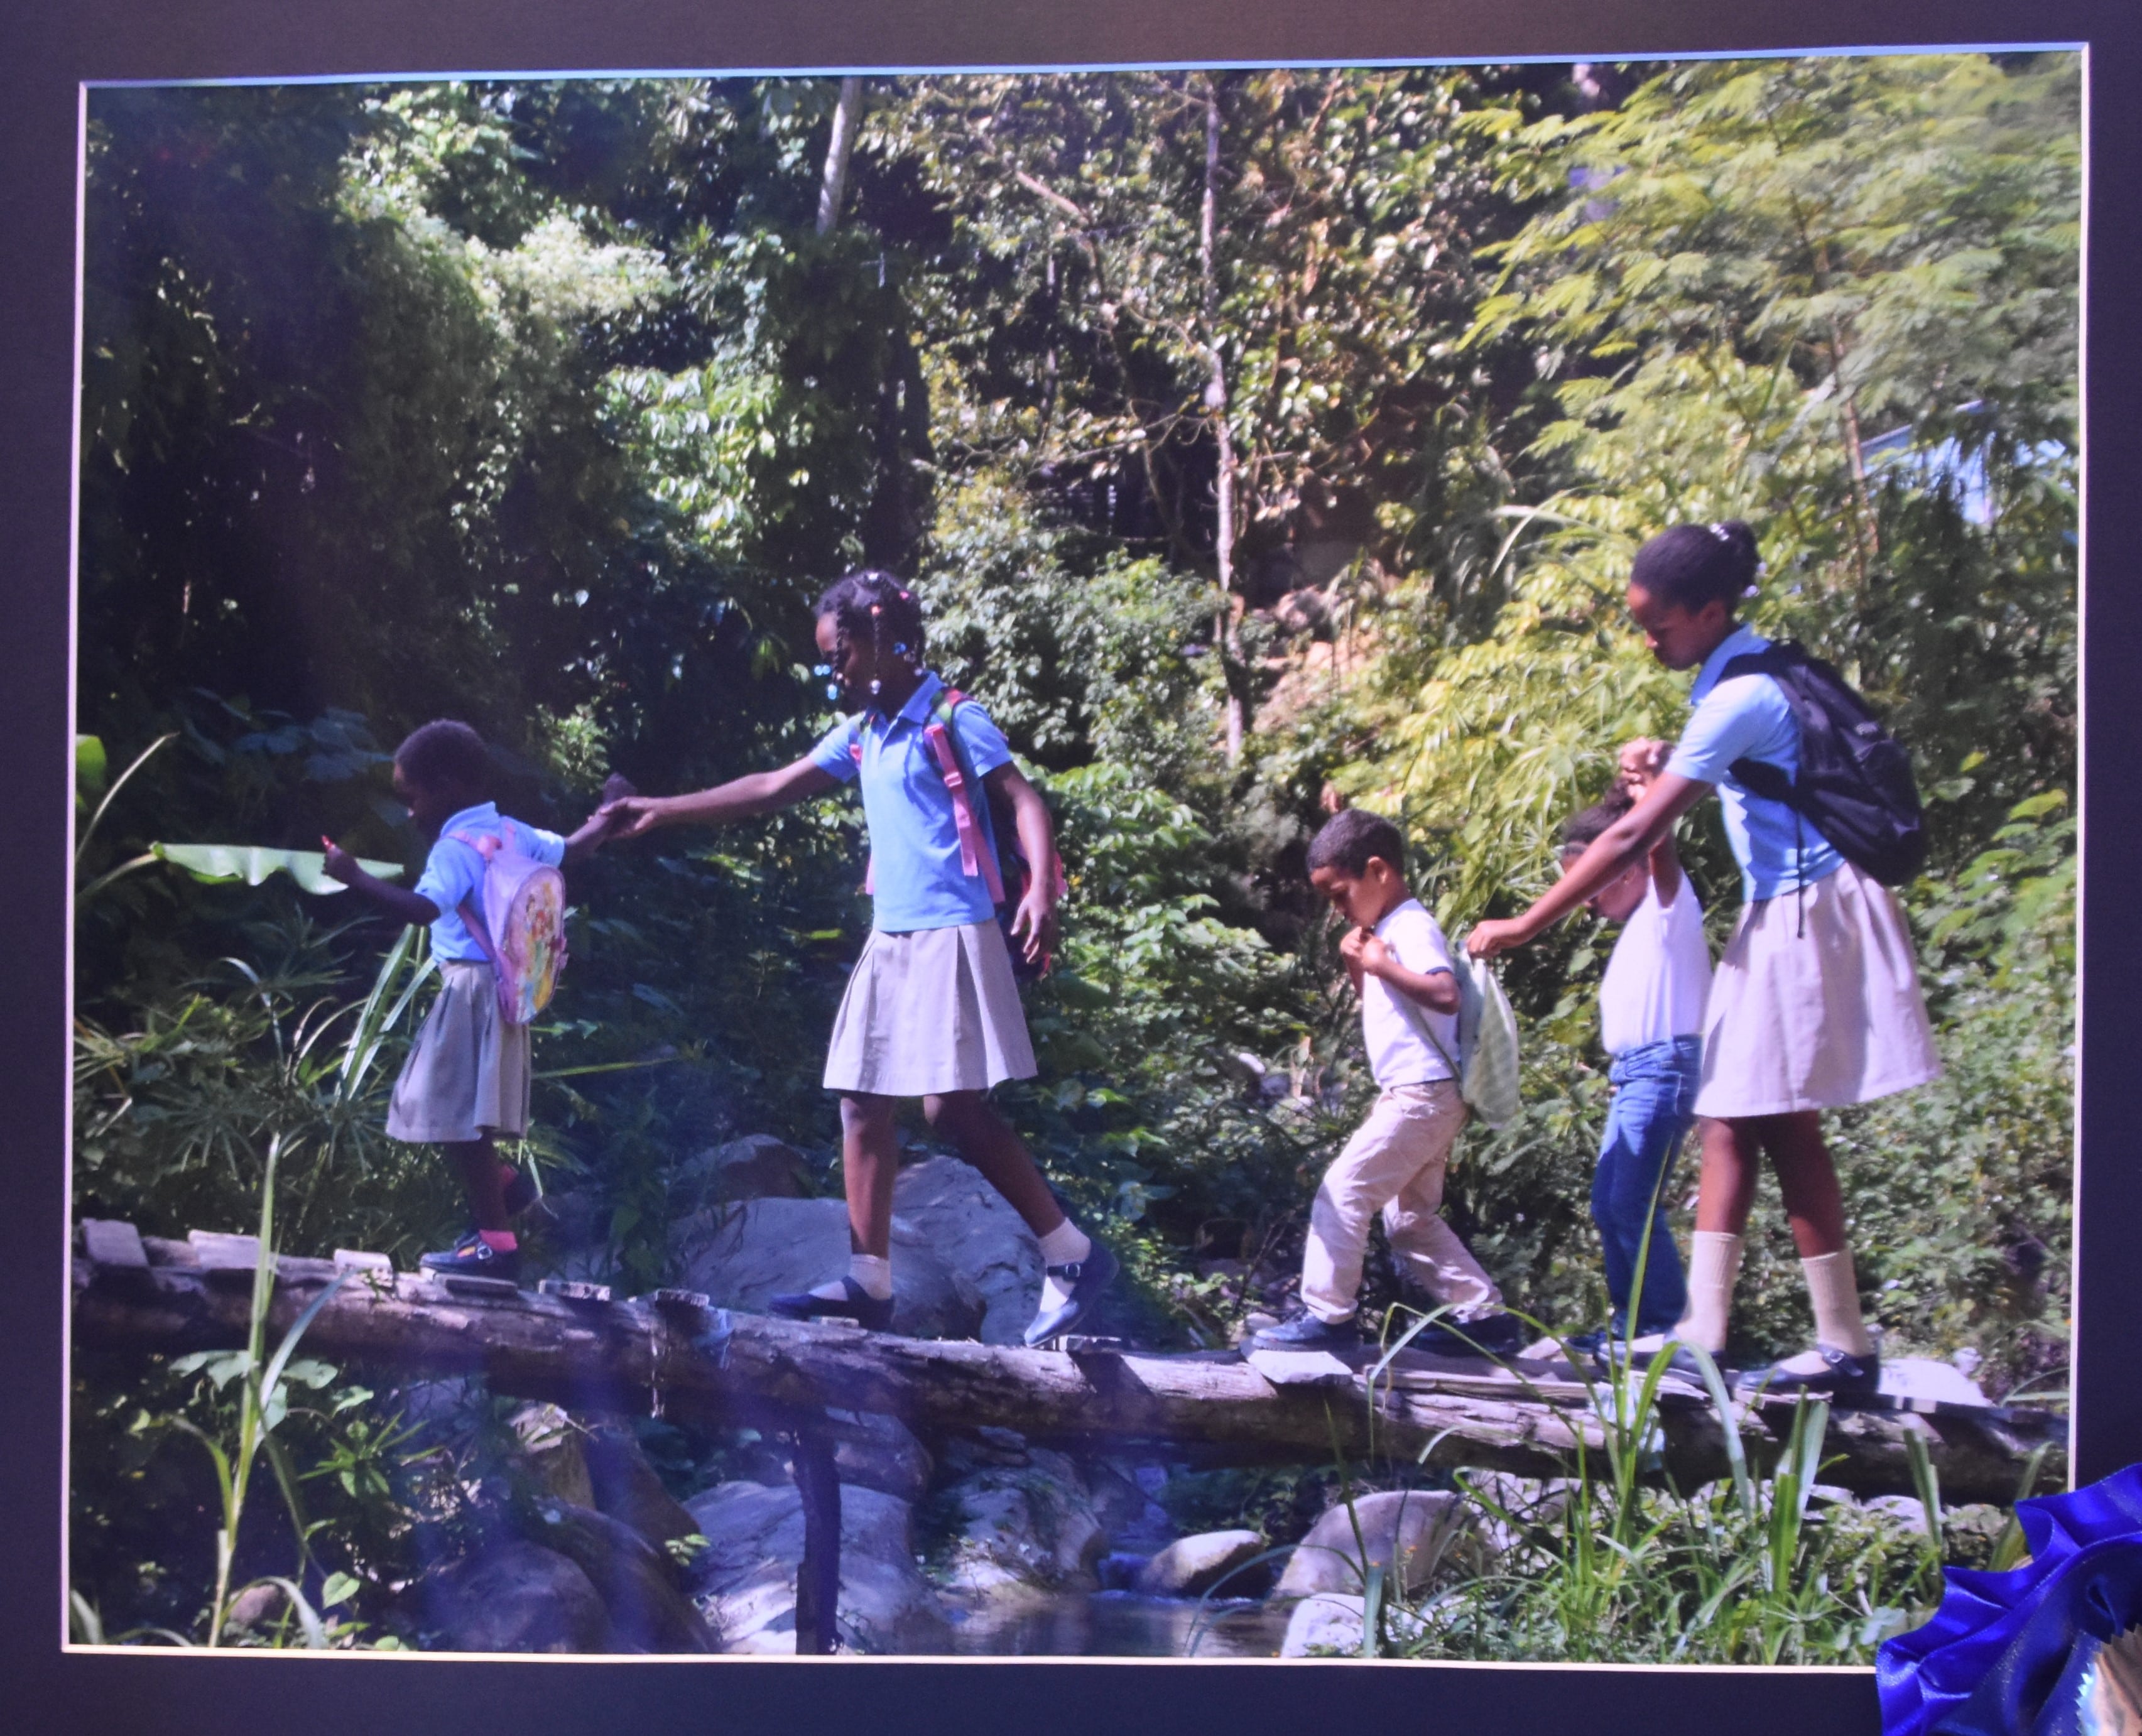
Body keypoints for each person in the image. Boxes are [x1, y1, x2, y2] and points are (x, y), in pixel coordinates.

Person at [1469, 522, 1940, 1393]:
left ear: (1710, 612)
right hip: (1786, 911)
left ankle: (1836, 1346)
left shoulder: (1739, 697)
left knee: (1774, 1122)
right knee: (1732, 1117)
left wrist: (1525, 924)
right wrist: (1668, 758)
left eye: (1658, 628)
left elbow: (1632, 833)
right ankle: (1712, 1333)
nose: (1648, 643)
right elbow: (1737, 776)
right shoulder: (1748, 677)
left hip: (1806, 910)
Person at [599, 570, 1116, 1345]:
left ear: (879, 635)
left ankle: (1070, 1254)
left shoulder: (952, 716)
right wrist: (660, 810)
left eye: (836, 656)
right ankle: (868, 1282)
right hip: (892, 934)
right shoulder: (863, 732)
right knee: (862, 1097)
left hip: (951, 928)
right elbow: (772, 785)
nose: (831, 673)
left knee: (950, 1111)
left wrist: (1042, 887)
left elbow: (1023, 799)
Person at [322, 720, 619, 1280]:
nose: (410, 812)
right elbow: (576, 849)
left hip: (470, 990)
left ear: (448, 786)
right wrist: (610, 809)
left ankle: (496, 1245)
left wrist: (353, 876)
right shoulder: (512, 831)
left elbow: (422, 910)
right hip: (509, 990)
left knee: (456, 1117)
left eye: (413, 797)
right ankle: (506, 1191)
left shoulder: (452, 850)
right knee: (450, 1111)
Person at [1249, 806, 1525, 1358]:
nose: (1337, 909)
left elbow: (1443, 993)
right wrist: (1360, 963)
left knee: (1344, 1191)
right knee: (1409, 1220)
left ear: (1378, 871)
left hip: (1421, 1094)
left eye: (1340, 894)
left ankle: (1329, 1317)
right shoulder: (1388, 932)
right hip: (1423, 1093)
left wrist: (1379, 962)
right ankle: (1486, 1319)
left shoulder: (1412, 927)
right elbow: (1385, 1001)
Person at [1557, 738, 1712, 1359]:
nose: (1588, 902)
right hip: (1633, 1074)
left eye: (1592, 887)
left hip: (1663, 1069)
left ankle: (1666, 1329)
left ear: (1627, 868)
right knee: (1608, 1204)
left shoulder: (1670, 905)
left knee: (1631, 1204)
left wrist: (1650, 787)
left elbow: (1655, 840)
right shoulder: (1637, 928)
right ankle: (1631, 1323)